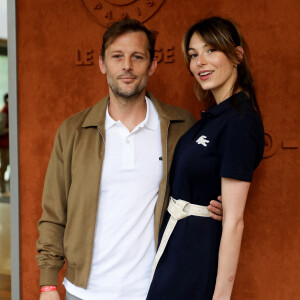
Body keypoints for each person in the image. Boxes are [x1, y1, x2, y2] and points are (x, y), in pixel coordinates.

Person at [36, 19, 223, 300]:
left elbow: (201, 188)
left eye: (137, 57)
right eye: (117, 56)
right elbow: (54, 214)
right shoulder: (74, 131)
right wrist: (49, 283)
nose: (127, 66)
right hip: (84, 292)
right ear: (102, 63)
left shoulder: (180, 125)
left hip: (156, 289)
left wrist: (219, 205)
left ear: (152, 65)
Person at [146, 17, 265, 300]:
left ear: (236, 55)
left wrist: (221, 296)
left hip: (195, 259)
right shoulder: (213, 117)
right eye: (193, 54)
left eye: (211, 50)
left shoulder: (239, 121)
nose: (200, 61)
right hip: (177, 249)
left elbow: (234, 221)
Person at [0, 93, 9, 196]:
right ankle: (3, 189)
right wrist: (9, 130)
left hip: (8, 144)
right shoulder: (4, 112)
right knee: (4, 166)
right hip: (4, 145)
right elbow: (1, 130)